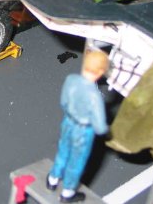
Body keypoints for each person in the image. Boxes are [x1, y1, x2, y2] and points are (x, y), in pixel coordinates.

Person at [46, 50, 109, 202]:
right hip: (83, 130)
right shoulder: (94, 96)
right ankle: (67, 192)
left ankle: (53, 178)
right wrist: (108, 130)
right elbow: (100, 127)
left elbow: (63, 102)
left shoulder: (71, 80)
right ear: (101, 71)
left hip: (68, 121)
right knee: (77, 161)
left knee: (63, 150)